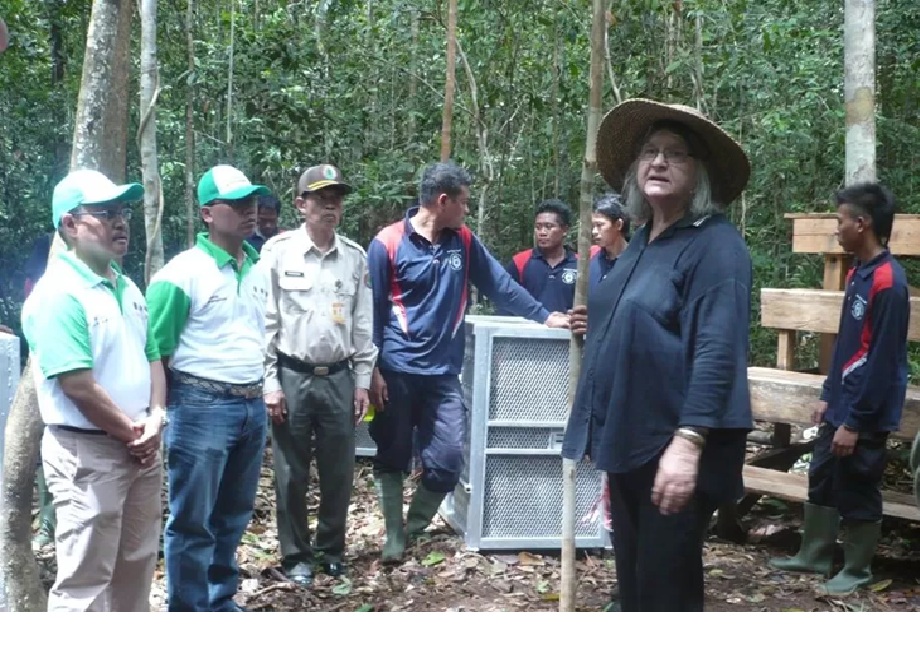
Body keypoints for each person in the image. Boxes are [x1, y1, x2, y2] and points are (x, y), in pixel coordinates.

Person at [562, 99, 753, 612]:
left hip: (673, 444)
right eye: (649, 152)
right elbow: (638, 316)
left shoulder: (716, 246)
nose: (659, 162)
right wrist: (599, 321)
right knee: (636, 584)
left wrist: (687, 446)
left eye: (676, 154)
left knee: (665, 590)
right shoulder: (644, 240)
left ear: (700, 174)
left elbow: (717, 349)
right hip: (630, 439)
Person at [367, 161, 570, 564]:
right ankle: (394, 534)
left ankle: (413, 526)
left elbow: (500, 285)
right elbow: (369, 312)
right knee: (391, 451)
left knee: (446, 460)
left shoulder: (462, 241)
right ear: (442, 201)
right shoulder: (388, 243)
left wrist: (545, 316)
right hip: (394, 370)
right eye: (463, 202)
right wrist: (369, 369)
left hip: (443, 373)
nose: (467, 210)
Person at [21, 169, 164, 611]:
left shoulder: (128, 287)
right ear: (69, 224)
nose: (120, 222)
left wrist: (157, 416)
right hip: (88, 454)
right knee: (85, 582)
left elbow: (153, 356)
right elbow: (77, 385)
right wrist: (135, 433)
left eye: (121, 212)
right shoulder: (59, 294)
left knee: (136, 569)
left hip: (140, 449)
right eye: (104, 213)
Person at [770, 182, 908, 596]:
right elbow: (849, 342)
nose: (837, 229)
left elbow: (882, 362)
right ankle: (813, 556)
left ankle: (856, 570)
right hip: (842, 404)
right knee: (823, 474)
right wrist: (829, 395)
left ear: (861, 224)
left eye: (840, 221)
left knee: (858, 484)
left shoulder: (889, 282)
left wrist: (855, 422)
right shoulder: (858, 273)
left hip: (864, 412)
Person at [146, 164, 271, 612]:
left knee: (234, 514)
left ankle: (220, 601)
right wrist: (160, 411)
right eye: (235, 204)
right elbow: (156, 350)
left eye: (251, 202)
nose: (248, 211)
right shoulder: (181, 275)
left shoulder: (258, 268)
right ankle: (187, 611)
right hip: (199, 405)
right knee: (192, 519)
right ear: (206, 213)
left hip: (250, 404)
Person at [261, 164, 377, 585]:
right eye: (320, 197)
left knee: (339, 471)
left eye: (337, 198)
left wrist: (363, 380)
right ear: (301, 204)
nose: (330, 205)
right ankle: (296, 556)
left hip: (340, 377)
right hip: (292, 373)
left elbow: (363, 324)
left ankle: (331, 550)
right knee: (291, 473)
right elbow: (266, 323)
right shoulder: (277, 253)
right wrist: (270, 383)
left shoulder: (354, 257)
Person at [499, 199, 578, 314]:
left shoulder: (580, 264)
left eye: (549, 227)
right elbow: (505, 300)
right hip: (527, 330)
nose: (542, 232)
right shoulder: (520, 262)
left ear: (564, 230)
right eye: (538, 227)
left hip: (566, 329)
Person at [589, 193, 629, 295]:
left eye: (599, 225)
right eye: (593, 226)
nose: (594, 231)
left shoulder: (636, 262)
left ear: (618, 225)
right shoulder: (592, 262)